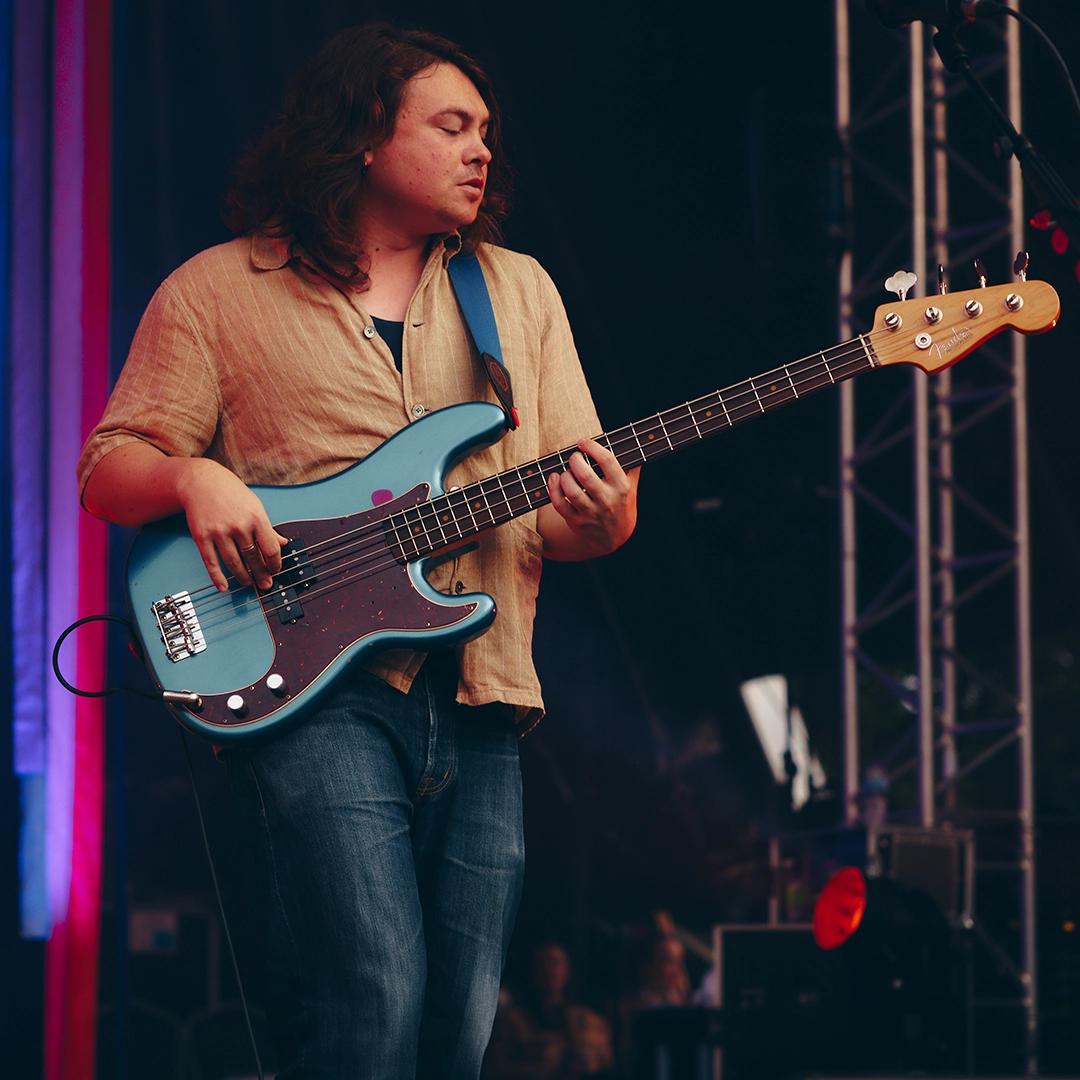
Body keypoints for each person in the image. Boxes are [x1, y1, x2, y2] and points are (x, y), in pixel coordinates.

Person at [77, 23, 639, 1080]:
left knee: (462, 1024)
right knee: (373, 994)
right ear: (365, 137)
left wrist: (606, 518)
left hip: (484, 685)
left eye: (487, 130)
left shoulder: (517, 293)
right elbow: (110, 468)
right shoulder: (218, 290)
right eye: (452, 125)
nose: (482, 149)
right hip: (310, 684)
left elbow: (570, 520)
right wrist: (198, 476)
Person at [484, 941, 615, 1079]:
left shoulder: (591, 1022)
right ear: (533, 971)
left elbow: (607, 1064)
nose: (549, 969)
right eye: (543, 964)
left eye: (555, 962)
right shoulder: (512, 1021)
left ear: (566, 970)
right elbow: (496, 1068)